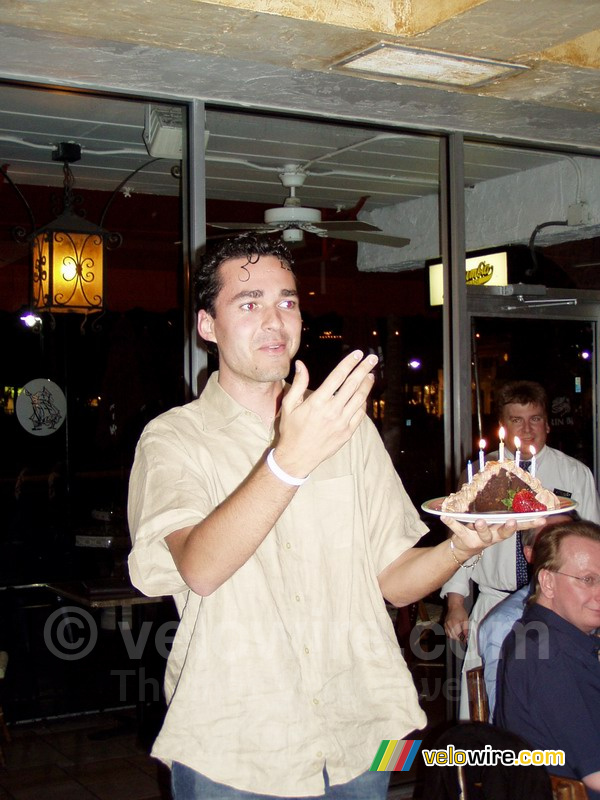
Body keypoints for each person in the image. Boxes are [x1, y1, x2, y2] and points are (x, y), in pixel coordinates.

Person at [127, 233, 535, 800]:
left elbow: (392, 582)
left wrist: (460, 547)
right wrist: (288, 462)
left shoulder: (349, 430)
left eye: (287, 301)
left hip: (360, 733)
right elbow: (200, 568)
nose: (275, 319)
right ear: (207, 326)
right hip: (238, 748)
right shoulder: (174, 439)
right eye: (249, 303)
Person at [442, 380, 600, 718]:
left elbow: (592, 546)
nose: (527, 429)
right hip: (493, 602)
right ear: (503, 424)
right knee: (485, 705)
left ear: (546, 423)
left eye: (535, 419)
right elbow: (461, 543)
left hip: (557, 608)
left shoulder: (575, 473)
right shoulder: (483, 476)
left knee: (550, 703)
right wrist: (456, 603)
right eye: (517, 420)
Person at [495, 520, 600, 798]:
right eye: (587, 580)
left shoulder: (546, 633)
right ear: (548, 582)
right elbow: (596, 775)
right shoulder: (549, 654)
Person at [477, 514, 572, 719]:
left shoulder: (588, 608)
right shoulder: (509, 624)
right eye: (551, 543)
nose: (565, 552)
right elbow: (506, 718)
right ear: (530, 555)